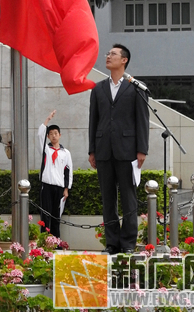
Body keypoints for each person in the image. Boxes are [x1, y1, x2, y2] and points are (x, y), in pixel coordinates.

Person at [88, 44, 149, 255]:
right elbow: (93, 121)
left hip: (128, 151)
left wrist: (142, 149)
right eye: (108, 54)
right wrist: (92, 150)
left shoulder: (135, 88)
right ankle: (112, 243)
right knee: (108, 200)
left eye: (113, 54)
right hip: (104, 151)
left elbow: (142, 120)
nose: (108, 56)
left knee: (128, 198)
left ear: (124, 60)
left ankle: (128, 243)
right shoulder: (98, 89)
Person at [37, 110, 73, 238]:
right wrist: (48, 119)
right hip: (46, 186)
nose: (53, 136)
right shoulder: (46, 150)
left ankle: (56, 241)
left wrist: (66, 189)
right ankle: (44, 241)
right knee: (45, 215)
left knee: (56, 216)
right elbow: (40, 135)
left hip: (59, 188)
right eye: (50, 134)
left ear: (60, 135)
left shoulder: (65, 153)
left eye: (55, 133)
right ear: (48, 136)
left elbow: (68, 172)